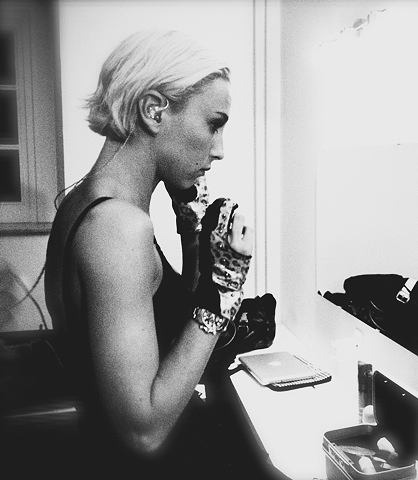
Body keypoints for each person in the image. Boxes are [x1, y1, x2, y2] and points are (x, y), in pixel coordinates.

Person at [44, 29, 286, 479]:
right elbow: (144, 429)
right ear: (154, 110)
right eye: (213, 124)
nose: (219, 150)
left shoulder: (81, 203)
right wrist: (224, 291)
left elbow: (167, 333)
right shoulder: (119, 229)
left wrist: (190, 230)